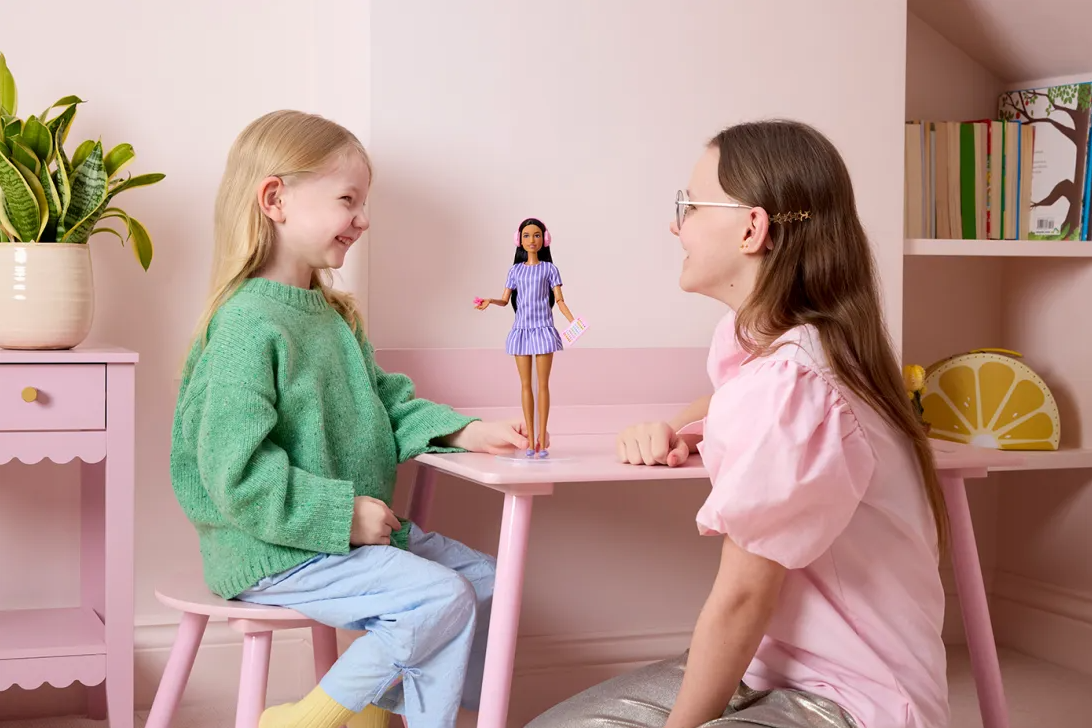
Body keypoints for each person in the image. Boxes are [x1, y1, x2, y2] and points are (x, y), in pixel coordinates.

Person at [527, 120, 949, 728]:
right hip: (773, 666)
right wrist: (683, 426)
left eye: (689, 206)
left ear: (752, 228)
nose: (677, 226)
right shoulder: (784, 350)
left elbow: (744, 597)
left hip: (855, 698)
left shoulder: (792, 381)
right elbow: (731, 400)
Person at [169, 110, 530, 728]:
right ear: (275, 199)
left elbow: (382, 399)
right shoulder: (247, 325)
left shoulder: (333, 314)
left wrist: (461, 431)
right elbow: (236, 474)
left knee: (488, 582)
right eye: (348, 200)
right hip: (274, 546)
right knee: (438, 596)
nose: (363, 219)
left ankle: (372, 713)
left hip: (344, 537)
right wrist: (344, 515)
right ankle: (310, 718)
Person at [475, 217, 576, 457]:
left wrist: (572, 320)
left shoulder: (550, 269)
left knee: (542, 385)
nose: (532, 240)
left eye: (537, 235)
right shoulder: (515, 271)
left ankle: (542, 438)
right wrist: (491, 301)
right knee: (525, 386)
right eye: (527, 235)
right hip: (521, 330)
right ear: (519, 240)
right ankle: (530, 440)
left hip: (543, 329)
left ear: (545, 239)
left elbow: (559, 300)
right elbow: (505, 299)